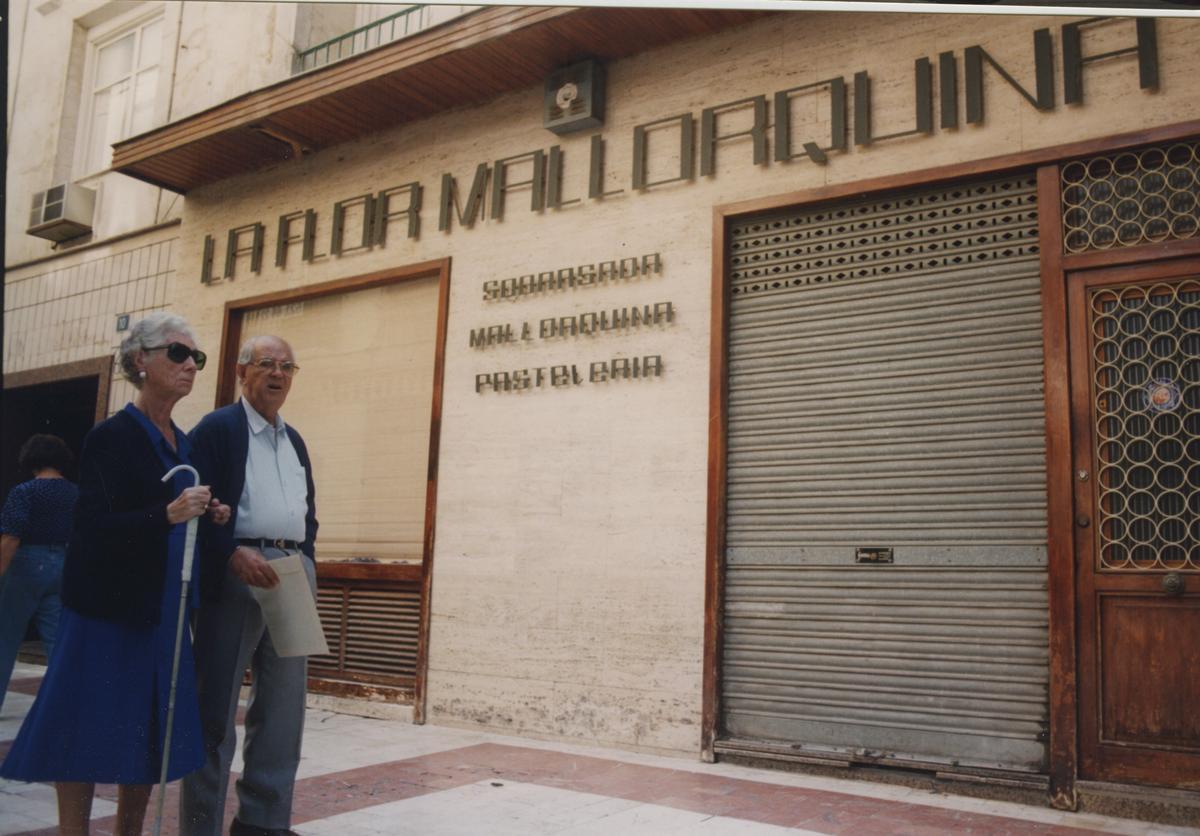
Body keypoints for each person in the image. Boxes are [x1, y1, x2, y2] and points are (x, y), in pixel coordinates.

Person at [0, 312, 231, 836]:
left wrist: (211, 512)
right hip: (108, 608)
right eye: (177, 353)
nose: (190, 365)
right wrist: (167, 513)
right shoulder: (112, 436)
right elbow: (94, 525)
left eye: (196, 357)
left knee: (148, 726)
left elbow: (179, 512)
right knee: (81, 726)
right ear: (139, 361)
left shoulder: (184, 443)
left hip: (163, 609)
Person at [180, 335, 318, 836]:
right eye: (266, 364)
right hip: (237, 567)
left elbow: (308, 513)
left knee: (283, 711)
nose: (277, 374)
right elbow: (194, 506)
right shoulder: (218, 429)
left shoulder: (294, 438)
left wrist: (306, 561)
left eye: (286, 366)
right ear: (242, 372)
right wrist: (229, 552)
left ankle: (263, 824)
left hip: (291, 569)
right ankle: (200, 827)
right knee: (214, 711)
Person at [0, 434, 79, 715]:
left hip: (27, 564)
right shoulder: (75, 493)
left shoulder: (24, 492)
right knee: (58, 641)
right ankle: (65, 706)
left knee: (5, 637)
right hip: (64, 563)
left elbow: (11, 537)